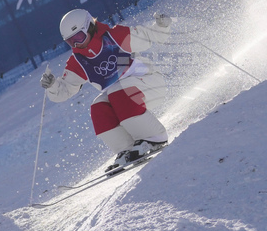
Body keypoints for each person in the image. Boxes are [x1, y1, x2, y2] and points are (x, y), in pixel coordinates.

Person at [40, 9, 172, 170]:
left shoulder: (114, 37)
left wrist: (161, 26)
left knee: (118, 93)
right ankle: (127, 149)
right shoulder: (78, 62)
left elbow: (147, 36)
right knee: (98, 108)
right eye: (70, 42)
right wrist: (52, 86)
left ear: (89, 26)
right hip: (122, 96)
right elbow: (65, 91)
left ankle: (154, 138)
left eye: (78, 37)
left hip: (149, 83)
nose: (76, 44)